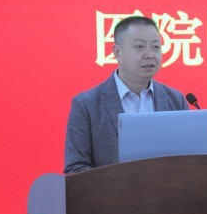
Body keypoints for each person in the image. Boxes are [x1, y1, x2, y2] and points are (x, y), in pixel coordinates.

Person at [64, 15, 188, 173]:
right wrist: (120, 184)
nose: (150, 54)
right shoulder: (87, 105)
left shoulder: (176, 101)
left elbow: (189, 162)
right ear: (117, 52)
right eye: (140, 47)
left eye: (156, 47)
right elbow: (75, 169)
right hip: (112, 190)